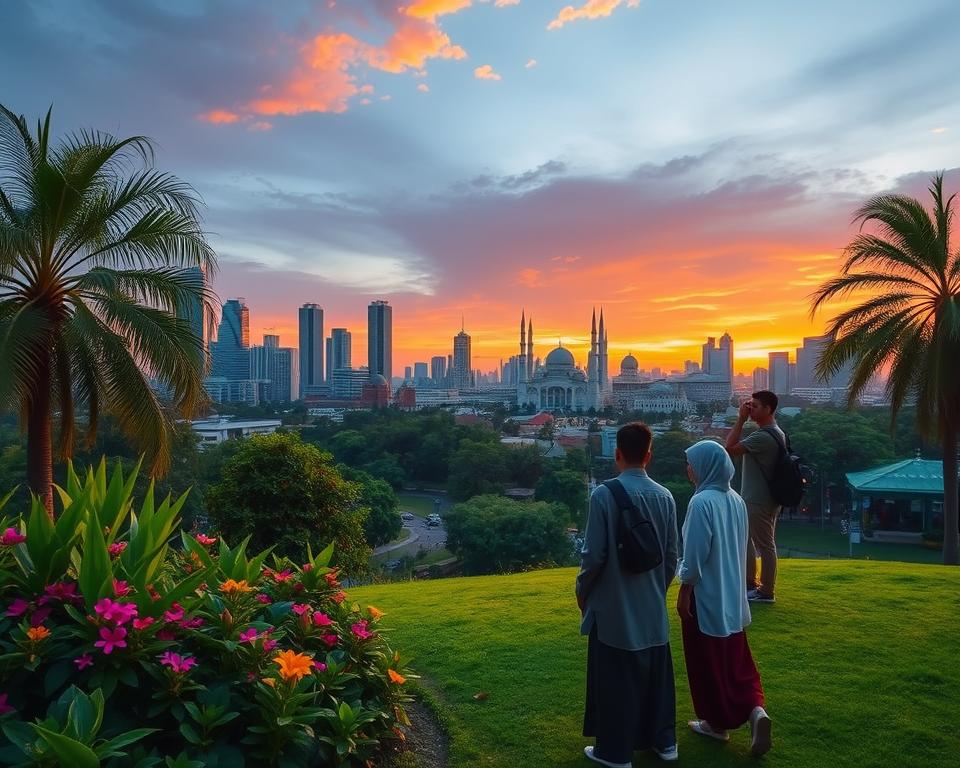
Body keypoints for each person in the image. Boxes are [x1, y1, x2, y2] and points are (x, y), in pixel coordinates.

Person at [576, 423, 679, 766]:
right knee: (656, 677)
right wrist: (656, 590)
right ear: (649, 455)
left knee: (616, 680)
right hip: (652, 606)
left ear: (617, 453)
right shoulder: (665, 496)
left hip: (614, 607)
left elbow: (593, 557)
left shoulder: (604, 495)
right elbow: (671, 555)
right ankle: (665, 742)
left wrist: (583, 590)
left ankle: (615, 752)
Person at [677, 439, 772, 757]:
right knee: (736, 661)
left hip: (707, 599)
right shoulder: (735, 500)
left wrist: (684, 590)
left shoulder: (701, 502)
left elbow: (694, 555)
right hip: (733, 598)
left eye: (691, 463)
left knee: (709, 664)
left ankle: (715, 724)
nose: (688, 469)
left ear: (704, 466)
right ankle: (755, 710)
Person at [724, 390, 784, 603]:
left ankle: (766, 591)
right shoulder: (776, 432)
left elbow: (729, 448)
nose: (751, 410)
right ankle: (751, 583)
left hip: (758, 500)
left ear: (768, 409)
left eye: (755, 406)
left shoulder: (762, 436)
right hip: (764, 498)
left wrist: (740, 419)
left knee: (765, 545)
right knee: (748, 540)